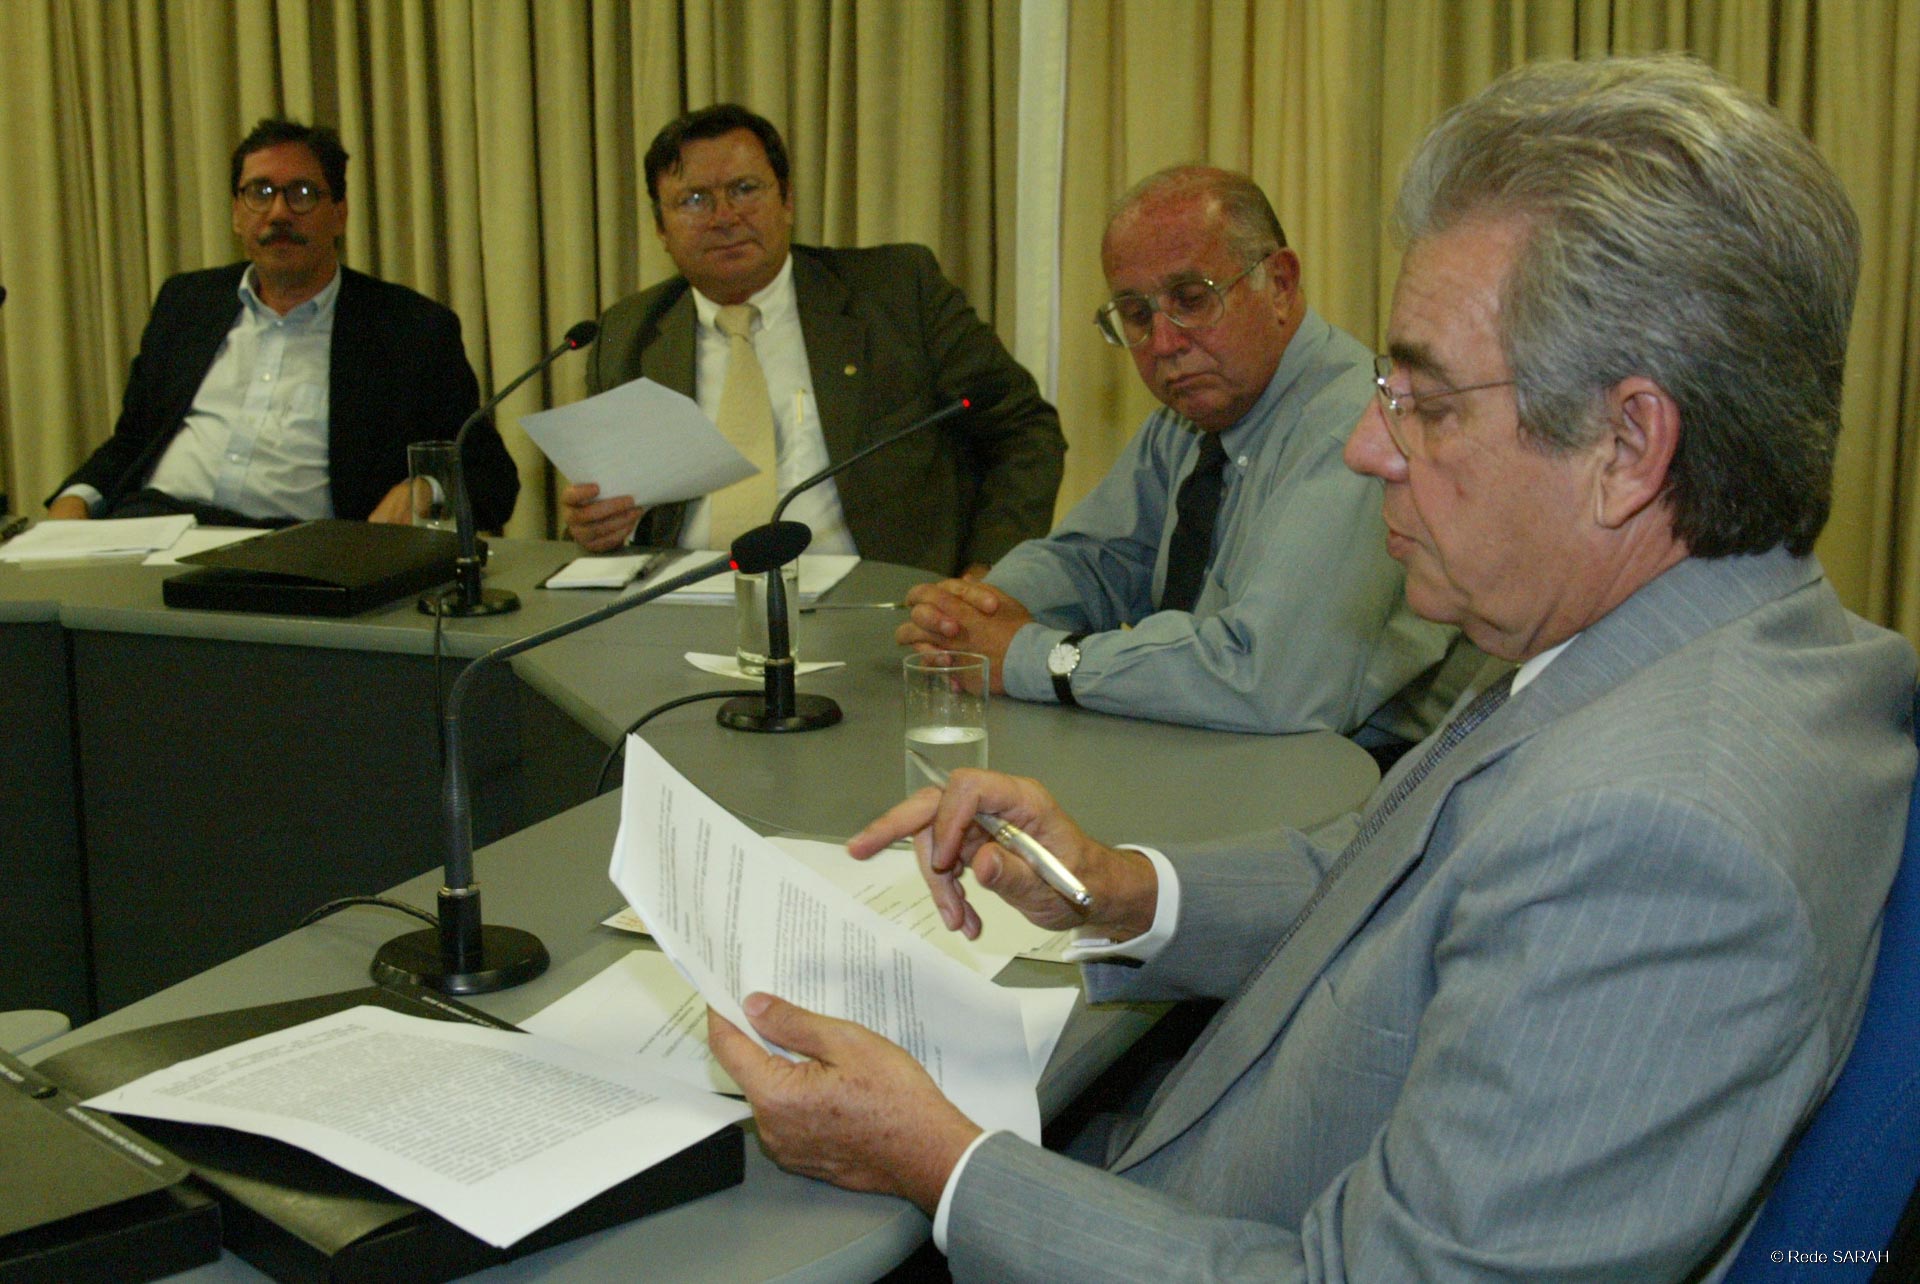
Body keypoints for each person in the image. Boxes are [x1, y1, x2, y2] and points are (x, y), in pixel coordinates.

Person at [707, 56, 1919, 1281]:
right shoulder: (1693, 646)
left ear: (1628, 446)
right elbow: (1408, 866)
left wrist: (943, 1166)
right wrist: (1121, 890)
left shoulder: (1661, 843)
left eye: (1428, 402)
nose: (1365, 446)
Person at [895, 167, 1463, 741]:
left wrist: (1029, 656)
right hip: (1215, 747)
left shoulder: (1356, 430)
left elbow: (1266, 681)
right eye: (1138, 315)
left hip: (1358, 771)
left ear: (1280, 285)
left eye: (1192, 300)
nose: (1165, 343)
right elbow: (1094, 559)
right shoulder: (1190, 417)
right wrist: (973, 614)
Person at [562, 104, 1064, 577]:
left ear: (787, 202)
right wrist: (596, 527)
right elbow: (611, 506)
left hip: (877, 602)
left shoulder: (896, 293)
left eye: (744, 189)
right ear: (660, 227)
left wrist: (989, 573)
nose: (724, 217)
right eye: (694, 200)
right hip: (683, 601)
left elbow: (1025, 432)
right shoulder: (627, 336)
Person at [47, 119, 518, 529]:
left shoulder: (409, 328)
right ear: (237, 213)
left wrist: (424, 489)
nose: (278, 213)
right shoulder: (187, 303)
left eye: (302, 194)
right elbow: (134, 439)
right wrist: (76, 499)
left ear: (340, 214)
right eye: (260, 193)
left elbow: (490, 475)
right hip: (152, 530)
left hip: (294, 554)